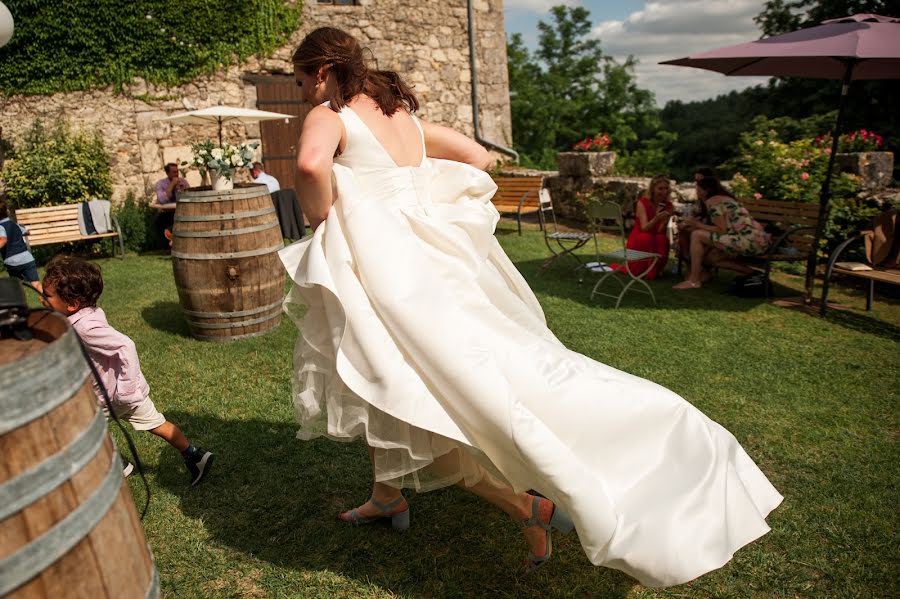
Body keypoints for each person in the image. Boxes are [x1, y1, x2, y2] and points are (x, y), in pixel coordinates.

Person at [280, 27, 781, 587]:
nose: (301, 93)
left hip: (384, 271)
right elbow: (476, 157)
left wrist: (325, 218)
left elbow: (309, 167)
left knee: (433, 387)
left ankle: (530, 506)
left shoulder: (330, 111)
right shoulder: (398, 114)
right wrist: (417, 204)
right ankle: (386, 494)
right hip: (429, 262)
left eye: (300, 81)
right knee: (392, 375)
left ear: (320, 70)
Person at [41, 256, 213, 486]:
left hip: (115, 395)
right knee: (157, 424)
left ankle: (118, 465)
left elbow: (126, 345)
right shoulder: (86, 314)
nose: (43, 298)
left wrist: (125, 390)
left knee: (83, 428)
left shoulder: (85, 327)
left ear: (72, 304)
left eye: (47, 295)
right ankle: (194, 455)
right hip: (123, 394)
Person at [674, 176, 771, 290]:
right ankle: (753, 273)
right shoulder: (726, 199)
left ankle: (693, 281)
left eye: (698, 190)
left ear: (706, 191)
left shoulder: (712, 202)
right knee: (713, 257)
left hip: (748, 241)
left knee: (697, 235)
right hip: (758, 241)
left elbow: (721, 230)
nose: (697, 192)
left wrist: (695, 224)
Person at [612, 174, 673, 280]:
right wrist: (656, 218)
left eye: (666, 188)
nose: (664, 192)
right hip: (640, 236)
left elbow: (660, 231)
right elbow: (644, 228)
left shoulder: (668, 206)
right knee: (646, 237)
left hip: (655, 237)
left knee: (662, 239)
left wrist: (664, 222)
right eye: (660, 188)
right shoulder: (643, 203)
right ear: (653, 189)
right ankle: (640, 269)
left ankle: (655, 270)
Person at [0, 197, 42, 294]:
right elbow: (27, 232)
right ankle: (49, 301)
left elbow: (3, 239)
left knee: (17, 285)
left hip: (13, 262)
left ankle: (21, 305)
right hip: (27, 258)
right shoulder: (15, 224)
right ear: (7, 212)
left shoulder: (1, 227)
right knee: (36, 283)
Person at [154, 163, 189, 244]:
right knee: (158, 221)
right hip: (167, 212)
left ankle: (172, 237)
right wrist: (172, 184)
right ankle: (168, 242)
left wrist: (182, 189)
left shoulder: (183, 182)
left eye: (177, 172)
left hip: (181, 211)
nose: (176, 174)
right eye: (174, 172)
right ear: (167, 173)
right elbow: (162, 200)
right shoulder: (161, 184)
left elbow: (190, 196)